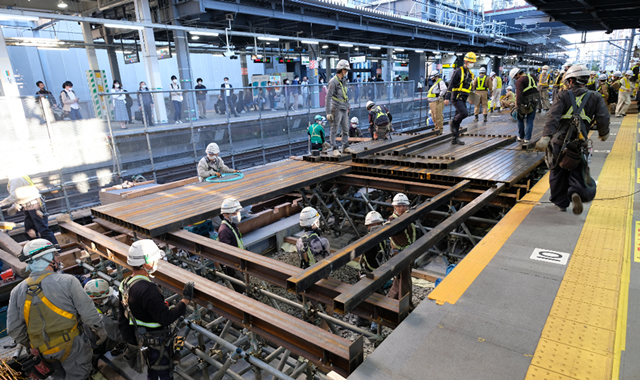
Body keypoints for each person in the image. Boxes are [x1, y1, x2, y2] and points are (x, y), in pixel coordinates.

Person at [8, 239, 107, 380]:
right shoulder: (68, 281)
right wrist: (100, 332)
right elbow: (89, 314)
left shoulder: (16, 291)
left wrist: (31, 345)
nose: (58, 258)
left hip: (44, 351)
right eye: (55, 255)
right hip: (73, 347)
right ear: (47, 259)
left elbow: (14, 328)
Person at [535, 64, 609, 214]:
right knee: (578, 168)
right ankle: (576, 192)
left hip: (560, 141)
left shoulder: (562, 95)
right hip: (579, 142)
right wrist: (603, 132)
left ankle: (561, 202)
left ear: (570, 81)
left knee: (557, 171)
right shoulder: (595, 96)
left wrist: (546, 137)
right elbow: (603, 117)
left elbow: (553, 117)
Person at [118, 239, 193, 380]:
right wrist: (185, 301)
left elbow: (122, 317)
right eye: (155, 259)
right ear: (146, 262)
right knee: (165, 373)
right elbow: (166, 318)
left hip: (142, 338)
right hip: (157, 344)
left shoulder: (125, 283)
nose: (157, 262)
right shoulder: (149, 289)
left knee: (152, 371)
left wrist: (131, 342)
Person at [0, 175, 57, 244]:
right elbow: (22, 192)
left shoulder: (15, 178)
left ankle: (55, 251)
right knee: (30, 232)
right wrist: (16, 204)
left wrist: (2, 203)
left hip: (33, 206)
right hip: (30, 206)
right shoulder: (18, 176)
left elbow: (15, 196)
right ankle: (41, 248)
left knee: (43, 231)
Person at [84, 278, 125, 367]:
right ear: (96, 299)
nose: (108, 298)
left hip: (89, 338)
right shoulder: (95, 315)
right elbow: (117, 333)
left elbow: (111, 300)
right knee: (91, 360)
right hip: (90, 345)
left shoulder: (83, 300)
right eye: (105, 297)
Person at [386, 193, 415, 308]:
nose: (402, 208)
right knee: (405, 282)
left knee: (399, 280)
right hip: (400, 254)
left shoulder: (405, 216)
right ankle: (406, 306)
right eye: (399, 206)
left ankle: (390, 300)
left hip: (406, 252)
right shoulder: (393, 220)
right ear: (395, 207)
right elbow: (399, 233)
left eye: (404, 206)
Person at [444, 51, 476, 145]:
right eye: (471, 62)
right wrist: (447, 97)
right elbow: (451, 83)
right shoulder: (459, 71)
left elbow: (468, 88)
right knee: (464, 113)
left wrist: (471, 98)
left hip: (464, 98)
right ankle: (452, 122)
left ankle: (455, 139)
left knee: (459, 118)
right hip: (457, 97)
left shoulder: (470, 74)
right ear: (465, 61)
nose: (472, 64)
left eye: (473, 62)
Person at [326, 59, 352, 155]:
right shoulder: (333, 82)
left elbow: (345, 95)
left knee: (346, 129)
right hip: (336, 109)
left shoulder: (344, 81)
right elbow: (328, 97)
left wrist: (348, 107)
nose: (346, 72)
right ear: (342, 70)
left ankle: (345, 146)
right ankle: (334, 148)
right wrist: (328, 112)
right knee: (334, 129)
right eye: (346, 70)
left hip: (344, 108)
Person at [510, 67, 539, 144]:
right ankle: (527, 138)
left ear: (517, 74)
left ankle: (521, 137)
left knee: (520, 118)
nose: (515, 79)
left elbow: (519, 94)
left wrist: (518, 106)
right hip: (534, 100)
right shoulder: (532, 76)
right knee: (530, 120)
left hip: (525, 102)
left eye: (515, 77)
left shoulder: (520, 81)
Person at [427, 70, 447, 135]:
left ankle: (440, 129)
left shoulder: (440, 82)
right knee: (434, 116)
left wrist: (440, 95)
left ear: (436, 76)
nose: (431, 79)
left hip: (437, 101)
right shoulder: (435, 83)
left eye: (432, 77)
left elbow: (444, 89)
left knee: (437, 116)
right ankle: (436, 128)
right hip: (432, 102)